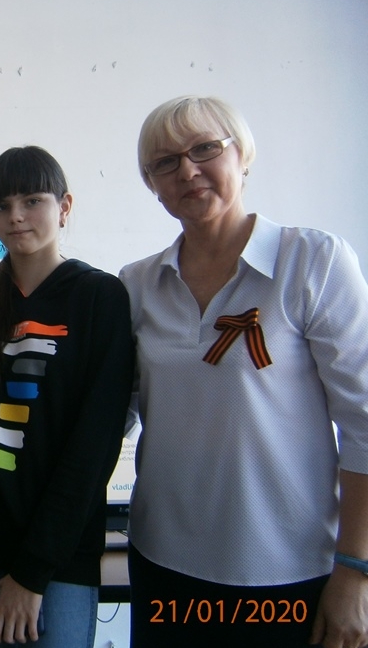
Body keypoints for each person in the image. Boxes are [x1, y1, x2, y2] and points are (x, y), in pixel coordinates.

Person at [120, 95, 368, 648]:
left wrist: (356, 569)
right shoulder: (137, 284)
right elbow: (115, 410)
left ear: (243, 155)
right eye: (165, 163)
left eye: (205, 149)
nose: (188, 171)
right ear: (152, 184)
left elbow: (365, 427)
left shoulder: (313, 262)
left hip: (289, 570)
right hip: (164, 562)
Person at [0, 146, 134, 648]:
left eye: (32, 200)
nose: (15, 216)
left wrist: (32, 572)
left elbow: (94, 446)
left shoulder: (100, 297)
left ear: (65, 206)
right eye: (1, 206)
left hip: (58, 563)